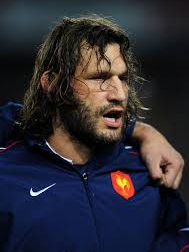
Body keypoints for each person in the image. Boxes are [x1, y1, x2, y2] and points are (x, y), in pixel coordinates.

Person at [0, 16, 188, 252]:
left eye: (123, 78)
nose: (118, 93)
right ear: (52, 84)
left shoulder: (147, 173)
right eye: (100, 78)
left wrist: (142, 130)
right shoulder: (7, 176)